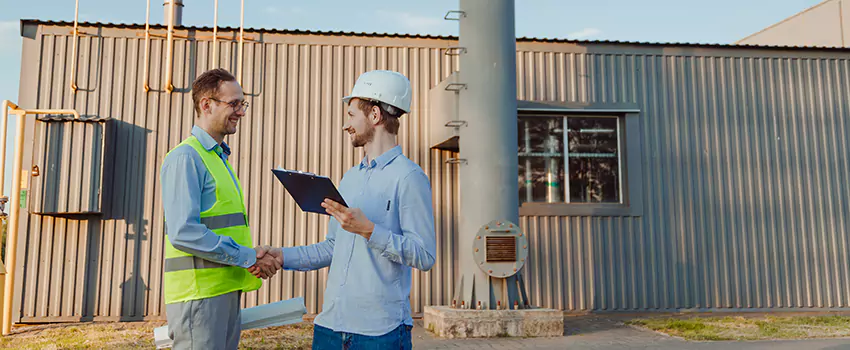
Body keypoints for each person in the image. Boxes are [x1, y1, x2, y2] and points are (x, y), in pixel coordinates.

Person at [252, 70, 437, 349]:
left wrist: (370, 231)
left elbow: (424, 255)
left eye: (351, 115)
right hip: (329, 328)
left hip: (380, 334)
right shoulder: (351, 177)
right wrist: (282, 256)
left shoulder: (410, 178)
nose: (345, 125)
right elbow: (332, 247)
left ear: (374, 115)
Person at [160, 68, 281, 350]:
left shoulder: (218, 158)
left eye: (243, 104)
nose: (241, 111)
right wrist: (248, 256)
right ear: (206, 104)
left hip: (223, 290)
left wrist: (250, 256)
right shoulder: (185, 158)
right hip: (199, 297)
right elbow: (184, 232)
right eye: (234, 104)